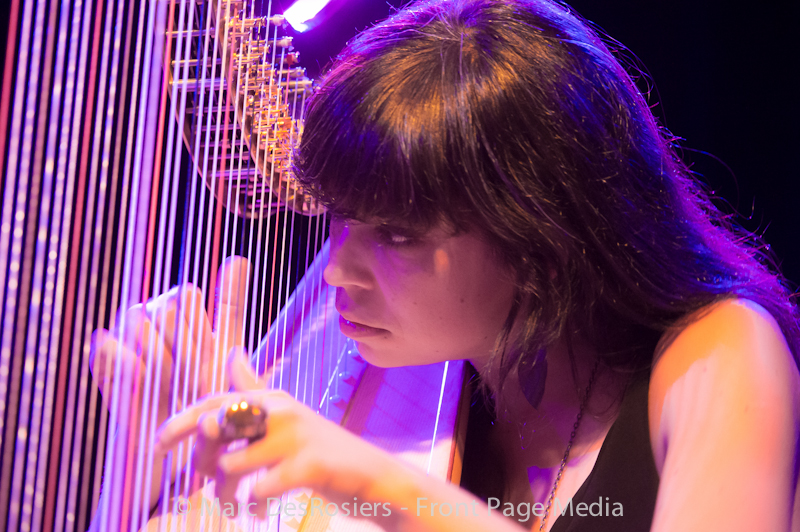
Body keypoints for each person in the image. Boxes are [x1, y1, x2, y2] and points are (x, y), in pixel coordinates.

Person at [91, 0, 800, 530]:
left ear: (539, 247)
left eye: (395, 236)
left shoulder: (725, 355)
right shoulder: (440, 386)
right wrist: (154, 451)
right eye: (339, 219)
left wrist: (361, 475)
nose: (337, 272)